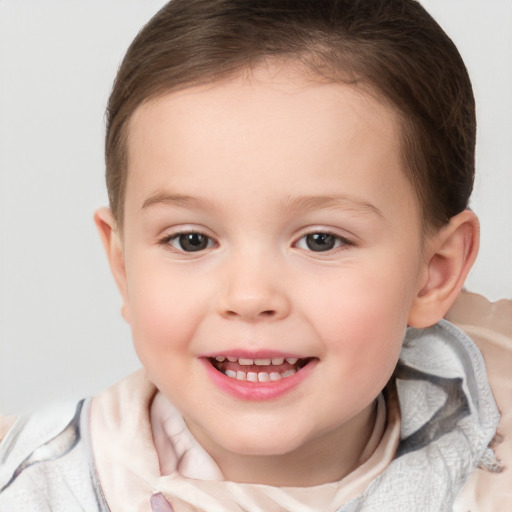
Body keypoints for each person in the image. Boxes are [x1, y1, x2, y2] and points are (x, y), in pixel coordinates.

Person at [0, 0, 510, 510]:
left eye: (321, 240)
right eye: (191, 240)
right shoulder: (31, 489)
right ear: (124, 266)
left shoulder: (492, 467)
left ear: (434, 274)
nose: (249, 296)